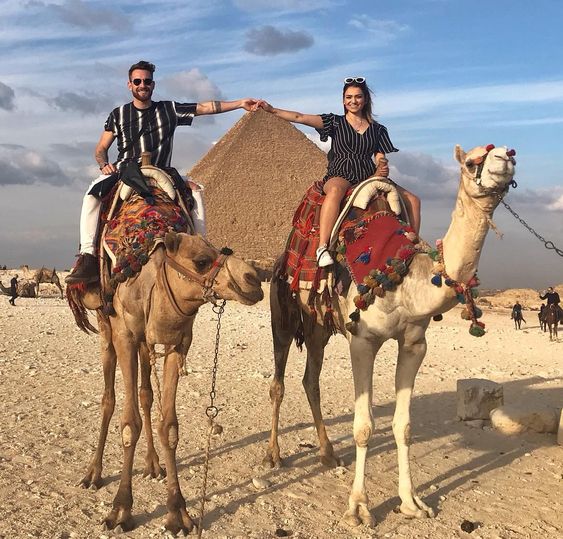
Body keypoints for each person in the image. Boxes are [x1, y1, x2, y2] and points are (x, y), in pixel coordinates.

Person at [66, 60, 259, 284]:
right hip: (126, 170)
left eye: (147, 81)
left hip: (162, 170)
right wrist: (103, 164)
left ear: (153, 84)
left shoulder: (168, 109)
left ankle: (200, 248)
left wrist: (240, 103)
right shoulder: (118, 114)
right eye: (137, 81)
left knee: (196, 192)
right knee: (91, 196)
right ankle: (88, 256)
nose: (142, 85)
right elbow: (101, 148)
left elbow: (204, 108)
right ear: (129, 85)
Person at [255, 76, 420, 267]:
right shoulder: (335, 122)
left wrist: (382, 164)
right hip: (340, 172)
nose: (353, 101)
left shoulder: (378, 130)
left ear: (365, 99)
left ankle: (411, 244)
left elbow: (379, 155)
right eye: (349, 97)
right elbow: (300, 117)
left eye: (358, 97)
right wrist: (271, 109)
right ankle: (323, 247)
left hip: (367, 175)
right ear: (343, 100)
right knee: (334, 191)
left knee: (414, 200)